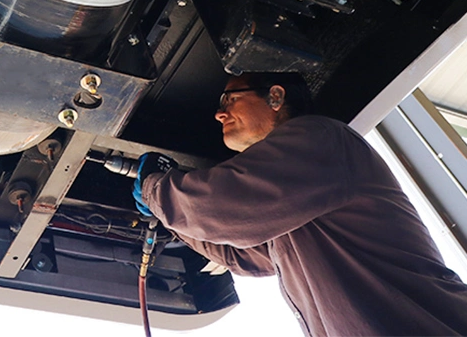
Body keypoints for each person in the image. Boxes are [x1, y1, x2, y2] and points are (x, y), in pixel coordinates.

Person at [132, 72, 467, 337]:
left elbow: (226, 209)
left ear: (276, 96)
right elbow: (245, 256)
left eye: (231, 99)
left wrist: (156, 190)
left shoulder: (321, 137)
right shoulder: (296, 199)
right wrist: (164, 208)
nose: (220, 113)